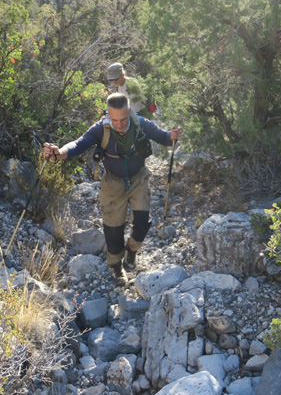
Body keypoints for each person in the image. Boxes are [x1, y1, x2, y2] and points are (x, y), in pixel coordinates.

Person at [43, 93, 182, 285]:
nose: (119, 124)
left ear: (130, 111)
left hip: (138, 178)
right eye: (114, 119)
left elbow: (164, 138)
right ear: (108, 114)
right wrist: (59, 153)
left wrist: (173, 136)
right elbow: (78, 144)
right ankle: (117, 266)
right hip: (112, 182)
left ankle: (132, 251)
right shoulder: (101, 129)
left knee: (142, 221)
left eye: (123, 119)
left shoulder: (140, 123)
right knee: (113, 228)